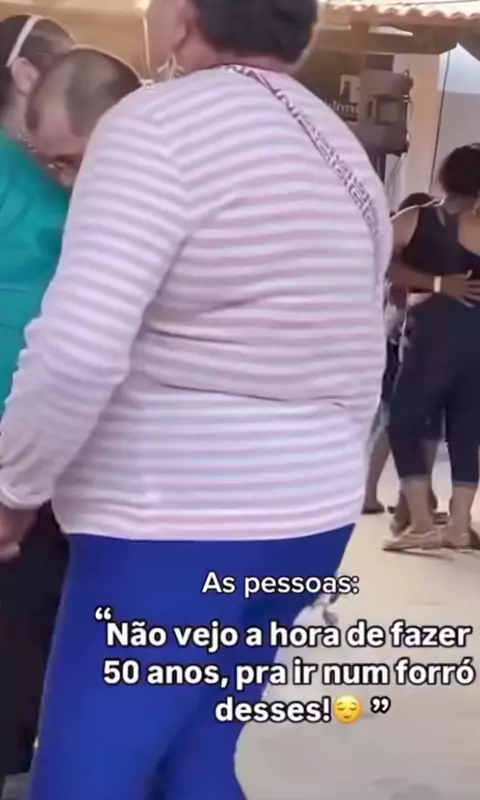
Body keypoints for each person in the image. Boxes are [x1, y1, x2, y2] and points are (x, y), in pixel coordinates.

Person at [0, 2, 391, 799]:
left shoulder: (155, 127)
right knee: (194, 762)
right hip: (308, 523)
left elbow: (77, 348)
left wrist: (13, 490)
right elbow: (358, 352)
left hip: (175, 527)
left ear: (181, 18)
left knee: (86, 781)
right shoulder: (338, 149)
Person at [0, 22, 141, 796]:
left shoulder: (132, 185)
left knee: (58, 641)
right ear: (24, 77)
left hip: (92, 458)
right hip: (24, 451)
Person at [385, 145, 480, 552]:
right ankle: (458, 526)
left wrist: (435, 284)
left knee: (401, 423)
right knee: (465, 433)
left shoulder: (415, 218)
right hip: (474, 342)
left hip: (433, 339)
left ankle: (422, 522)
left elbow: (379, 258)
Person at [363, 192, 433, 515]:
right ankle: (376, 494)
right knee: (395, 423)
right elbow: (400, 301)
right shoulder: (404, 265)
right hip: (401, 344)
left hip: (394, 343)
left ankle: (405, 497)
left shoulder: (395, 259)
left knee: (392, 421)